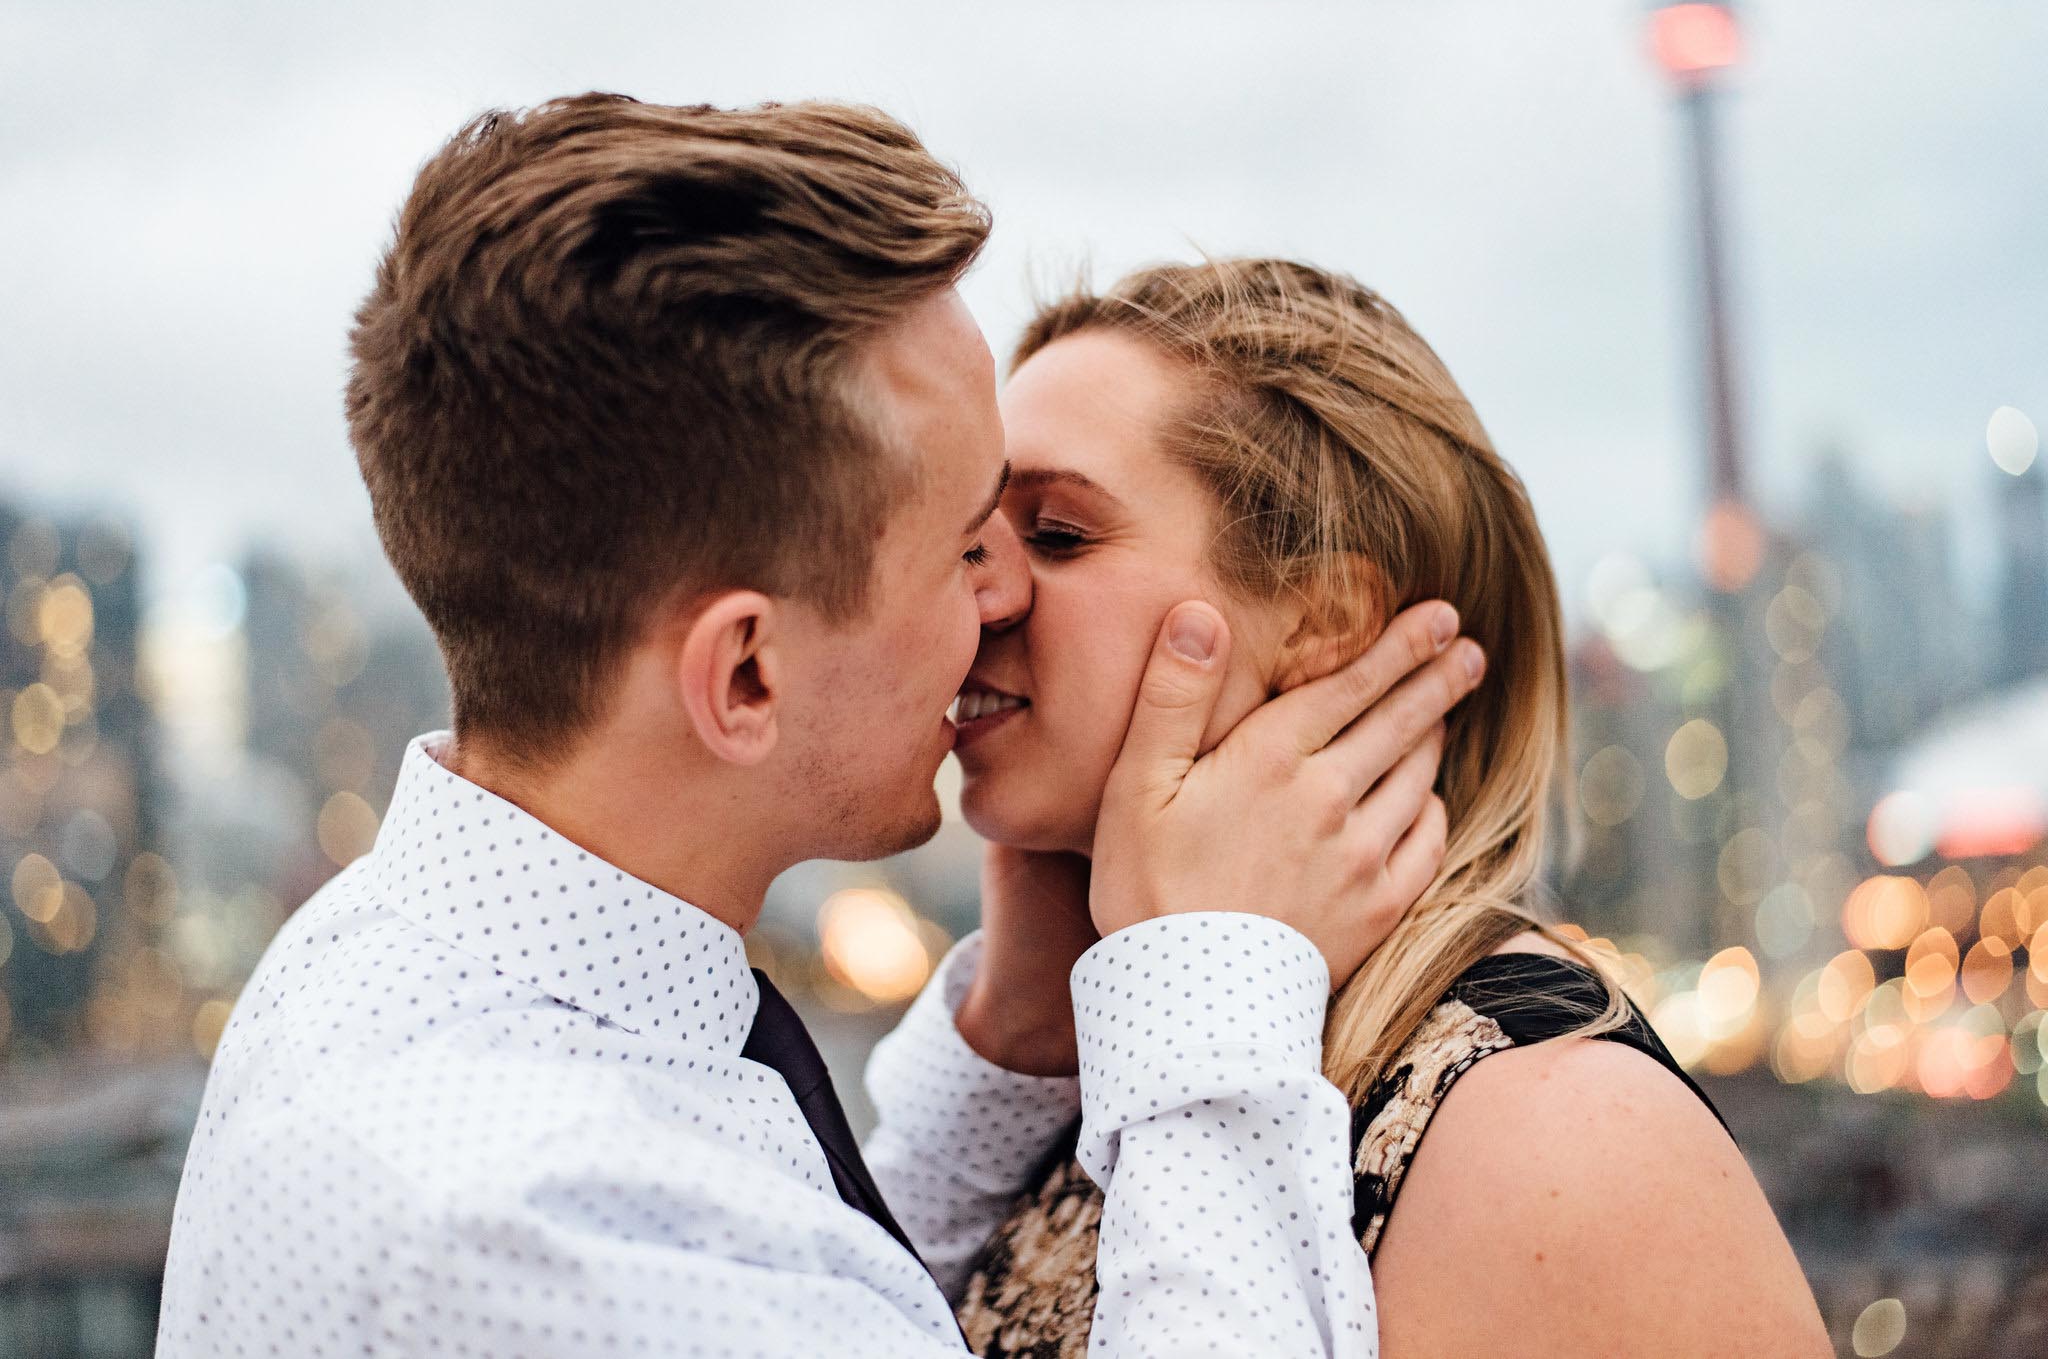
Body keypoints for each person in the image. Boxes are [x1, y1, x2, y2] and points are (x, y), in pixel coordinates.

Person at [155, 96, 1484, 1357]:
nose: (1004, 591)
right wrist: (1210, 991)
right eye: (968, 544)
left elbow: (795, 1271)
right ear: (743, 675)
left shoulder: (407, 963)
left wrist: (1008, 1049)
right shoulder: (527, 1221)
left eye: (1051, 530)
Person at [886, 258, 1832, 1357]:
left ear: (1323, 619)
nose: (981, 590)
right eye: (973, 534)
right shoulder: (1125, 1058)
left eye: (1054, 533)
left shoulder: (1556, 1130)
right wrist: (1014, 1038)